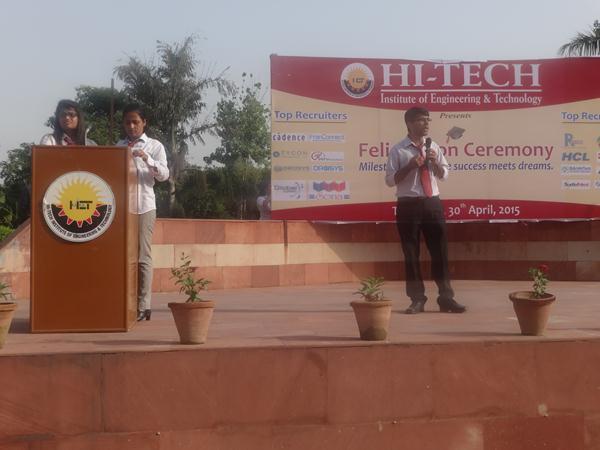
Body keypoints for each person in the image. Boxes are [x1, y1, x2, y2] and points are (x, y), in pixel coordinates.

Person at [384, 106, 466, 314]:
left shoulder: (434, 146)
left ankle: (446, 298)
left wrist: (434, 162)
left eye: (428, 119)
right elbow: (390, 180)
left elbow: (444, 174)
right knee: (411, 253)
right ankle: (417, 299)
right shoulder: (398, 150)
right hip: (408, 204)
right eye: (422, 120)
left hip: (432, 203)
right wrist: (410, 166)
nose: (427, 123)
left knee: (440, 251)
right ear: (410, 123)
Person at [117, 103, 169, 321]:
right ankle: (125, 302)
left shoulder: (154, 145)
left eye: (135, 122)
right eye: (127, 122)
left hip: (145, 206)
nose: (131, 126)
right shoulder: (119, 146)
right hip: (123, 207)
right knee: (123, 255)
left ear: (144, 123)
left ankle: (143, 304)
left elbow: (164, 175)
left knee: (143, 255)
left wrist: (147, 159)